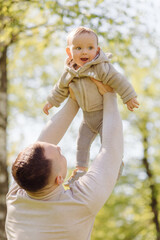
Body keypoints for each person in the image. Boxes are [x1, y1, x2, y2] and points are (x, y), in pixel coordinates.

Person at [6, 87, 123, 240]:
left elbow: (44, 141)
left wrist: (73, 101)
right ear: (59, 179)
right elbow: (111, 149)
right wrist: (109, 94)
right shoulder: (80, 203)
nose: (58, 146)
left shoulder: (17, 196)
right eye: (59, 154)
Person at [43, 26, 139, 185]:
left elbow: (118, 80)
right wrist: (51, 102)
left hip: (104, 117)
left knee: (109, 142)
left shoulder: (101, 67)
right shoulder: (69, 73)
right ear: (69, 52)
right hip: (87, 119)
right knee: (81, 143)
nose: (85, 52)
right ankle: (80, 170)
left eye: (90, 48)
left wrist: (129, 97)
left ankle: (116, 164)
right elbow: (60, 89)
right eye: (78, 48)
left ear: (97, 49)